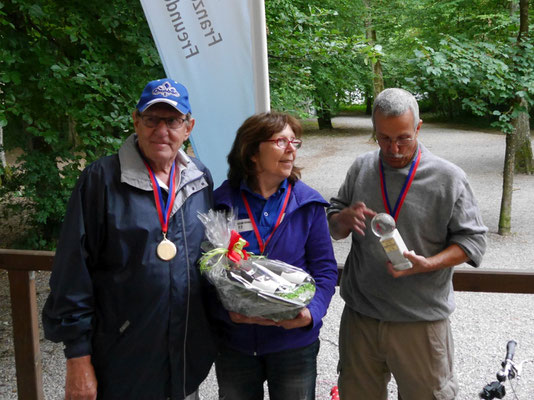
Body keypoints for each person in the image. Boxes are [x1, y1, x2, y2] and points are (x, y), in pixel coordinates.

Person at [42, 79, 216, 400]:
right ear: (136, 121)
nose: (161, 130)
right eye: (151, 119)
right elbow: (72, 272)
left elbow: (208, 255)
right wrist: (78, 358)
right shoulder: (100, 180)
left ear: (188, 127)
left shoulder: (200, 178)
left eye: (173, 121)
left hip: (185, 358)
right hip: (122, 358)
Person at [328, 88, 487, 400]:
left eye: (403, 137)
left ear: (418, 127)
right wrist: (342, 220)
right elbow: (334, 226)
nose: (394, 149)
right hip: (361, 317)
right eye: (384, 138)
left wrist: (430, 264)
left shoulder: (448, 177)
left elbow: (473, 242)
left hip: (420, 321)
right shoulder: (362, 167)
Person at [211, 112, 338, 400]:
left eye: (294, 141)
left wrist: (310, 314)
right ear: (252, 152)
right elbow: (204, 272)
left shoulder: (308, 204)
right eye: (281, 141)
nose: (292, 148)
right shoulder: (220, 204)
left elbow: (326, 271)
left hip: (293, 343)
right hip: (236, 344)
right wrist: (225, 314)